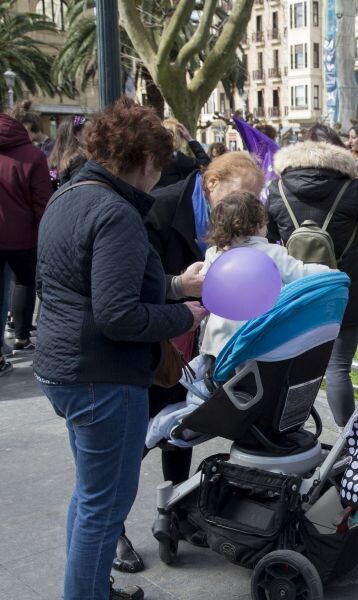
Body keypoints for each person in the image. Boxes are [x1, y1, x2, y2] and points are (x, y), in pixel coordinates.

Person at [34, 98, 208, 600]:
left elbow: (100, 285)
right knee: (104, 506)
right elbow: (118, 314)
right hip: (100, 376)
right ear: (147, 161)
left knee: (91, 498)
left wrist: (177, 285)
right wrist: (187, 315)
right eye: (161, 165)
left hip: (67, 367)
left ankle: (91, 588)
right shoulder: (116, 213)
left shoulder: (70, 195)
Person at [117, 151, 266, 573]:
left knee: (178, 428)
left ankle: (176, 511)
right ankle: (111, 527)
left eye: (256, 198)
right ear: (212, 182)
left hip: (198, 342)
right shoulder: (160, 209)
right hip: (158, 335)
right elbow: (136, 281)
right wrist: (181, 286)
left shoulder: (239, 215)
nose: (250, 206)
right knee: (136, 438)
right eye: (244, 195)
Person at [266, 123, 358, 426]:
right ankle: (347, 441)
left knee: (291, 365)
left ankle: (288, 432)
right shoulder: (351, 186)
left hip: (298, 288)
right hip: (344, 289)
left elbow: (267, 237)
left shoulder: (276, 188)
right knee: (338, 368)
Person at [199, 191, 331, 358]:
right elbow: (300, 273)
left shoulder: (214, 254)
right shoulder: (271, 253)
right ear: (258, 225)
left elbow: (203, 284)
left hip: (218, 341)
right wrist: (329, 270)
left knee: (224, 381)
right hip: (256, 340)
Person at [0, 112, 51, 357]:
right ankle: (21, 335)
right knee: (23, 282)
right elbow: (42, 201)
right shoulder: (33, 156)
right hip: (23, 236)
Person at [154, 119, 212, 189]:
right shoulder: (177, 158)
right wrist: (190, 139)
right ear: (178, 137)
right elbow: (206, 163)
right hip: (171, 197)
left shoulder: (152, 154)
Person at [48, 115, 88, 190]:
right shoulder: (79, 159)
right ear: (76, 135)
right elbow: (78, 189)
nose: (92, 135)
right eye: (88, 131)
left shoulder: (54, 159)